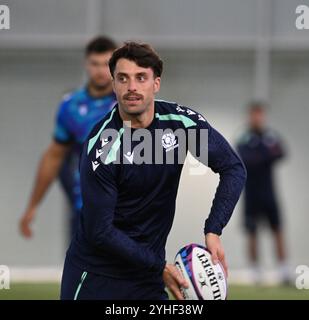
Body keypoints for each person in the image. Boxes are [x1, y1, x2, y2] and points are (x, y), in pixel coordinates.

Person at [60, 42, 247, 300]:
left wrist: (213, 229)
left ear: (156, 84)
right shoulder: (104, 147)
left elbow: (232, 168)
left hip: (147, 276)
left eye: (141, 78)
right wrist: (158, 267)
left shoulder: (180, 126)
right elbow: (100, 232)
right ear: (113, 84)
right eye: (123, 79)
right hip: (98, 276)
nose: (132, 87)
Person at [19, 36, 117, 240]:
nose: (100, 70)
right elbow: (54, 156)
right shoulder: (71, 106)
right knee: (82, 266)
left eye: (106, 64)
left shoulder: (129, 101)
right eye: (95, 64)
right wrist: (32, 206)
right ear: (86, 64)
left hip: (125, 204)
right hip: (87, 204)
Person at [237, 101, 289, 284]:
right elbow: (244, 158)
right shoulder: (244, 138)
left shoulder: (270, 136)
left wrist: (260, 156)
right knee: (252, 232)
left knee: (277, 230)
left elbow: (281, 152)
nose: (258, 118)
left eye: (260, 114)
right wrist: (265, 155)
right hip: (251, 193)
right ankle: (254, 271)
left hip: (269, 193)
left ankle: (284, 271)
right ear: (250, 116)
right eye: (254, 114)